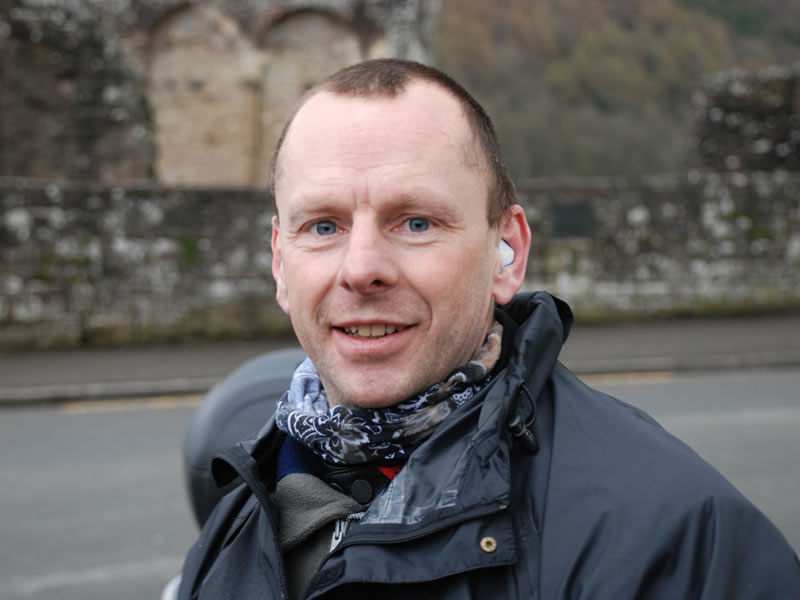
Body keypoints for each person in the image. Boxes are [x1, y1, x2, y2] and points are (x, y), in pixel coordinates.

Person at [177, 59, 800, 599]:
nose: (361, 268)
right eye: (322, 226)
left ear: (507, 251)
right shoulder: (244, 511)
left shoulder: (671, 535)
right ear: (281, 264)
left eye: (415, 222)